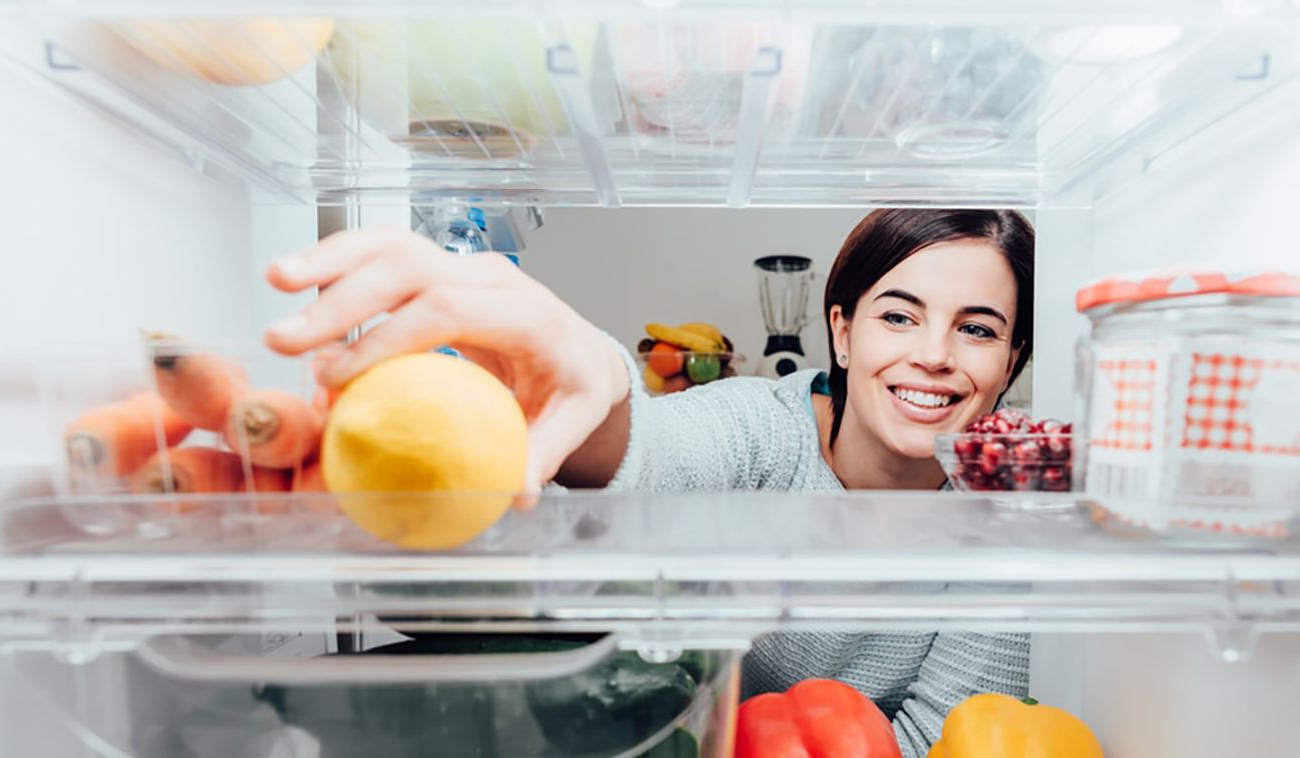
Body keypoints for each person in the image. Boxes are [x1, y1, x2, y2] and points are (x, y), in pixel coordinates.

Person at [264, 208, 1034, 757]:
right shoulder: (762, 427)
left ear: (1011, 360)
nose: (934, 354)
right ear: (840, 329)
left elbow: (951, 738)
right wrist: (597, 381)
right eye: (898, 317)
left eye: (976, 328)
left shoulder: (1006, 517)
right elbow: (654, 455)